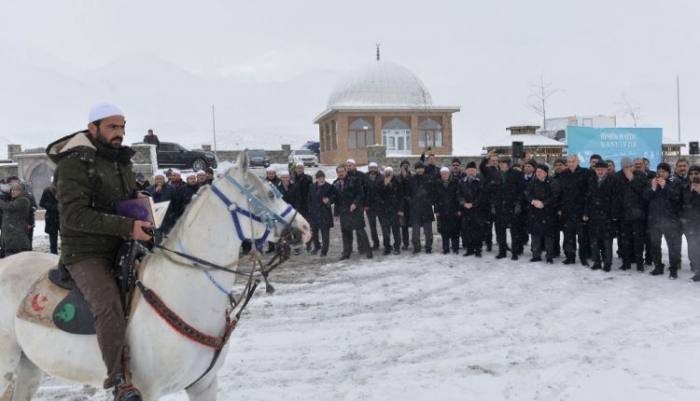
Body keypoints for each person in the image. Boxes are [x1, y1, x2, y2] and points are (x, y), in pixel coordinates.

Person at [46, 103, 150, 400]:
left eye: (122, 127)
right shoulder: (74, 164)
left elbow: (119, 198)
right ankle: (118, 380)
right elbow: (74, 216)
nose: (120, 133)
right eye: (113, 127)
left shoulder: (120, 160)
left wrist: (137, 200)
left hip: (122, 245)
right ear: (92, 128)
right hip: (85, 252)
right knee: (108, 305)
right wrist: (128, 227)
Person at [644, 162, 682, 278]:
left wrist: (665, 186)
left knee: (672, 246)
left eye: (663, 172)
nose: (661, 174)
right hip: (654, 220)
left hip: (670, 221)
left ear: (669, 173)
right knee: (655, 245)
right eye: (659, 171)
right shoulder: (651, 182)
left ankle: (673, 269)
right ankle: (658, 266)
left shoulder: (675, 183)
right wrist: (653, 188)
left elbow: (677, 198)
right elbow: (645, 197)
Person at [584, 160, 618, 272]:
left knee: (607, 241)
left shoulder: (613, 180)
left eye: (602, 169)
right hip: (593, 215)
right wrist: (586, 212)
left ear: (607, 170)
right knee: (594, 241)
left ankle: (608, 263)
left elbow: (615, 199)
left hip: (607, 216)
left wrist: (614, 214)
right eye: (598, 169)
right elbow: (588, 198)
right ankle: (597, 262)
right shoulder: (591, 180)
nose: (600, 171)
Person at [333, 164, 372, 260]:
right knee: (346, 233)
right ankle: (347, 252)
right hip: (344, 212)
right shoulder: (336, 183)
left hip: (355, 211)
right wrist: (336, 213)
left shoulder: (354, 180)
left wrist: (355, 203)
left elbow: (360, 194)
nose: (341, 173)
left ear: (346, 172)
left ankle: (368, 251)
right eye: (339, 172)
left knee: (360, 232)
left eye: (342, 171)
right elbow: (336, 200)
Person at [558, 155, 591, 266]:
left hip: (581, 211)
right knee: (568, 237)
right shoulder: (563, 174)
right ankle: (570, 257)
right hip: (567, 211)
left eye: (573, 161)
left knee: (582, 238)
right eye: (569, 162)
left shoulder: (585, 173)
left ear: (577, 162)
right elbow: (560, 193)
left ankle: (583, 258)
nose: (571, 163)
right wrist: (560, 208)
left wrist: (586, 211)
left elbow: (589, 193)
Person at [615, 156, 647, 272]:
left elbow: (642, 191)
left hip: (637, 215)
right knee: (625, 241)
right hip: (623, 215)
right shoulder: (617, 176)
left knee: (638, 240)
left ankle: (640, 263)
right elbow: (616, 197)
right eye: (626, 167)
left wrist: (632, 178)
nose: (628, 169)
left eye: (630, 166)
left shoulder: (640, 175)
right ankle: (626, 262)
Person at [525, 165, 556, 263]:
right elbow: (527, 194)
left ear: (546, 172)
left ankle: (549, 256)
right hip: (535, 212)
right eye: (537, 171)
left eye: (541, 171)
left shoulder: (552, 182)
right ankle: (536, 255)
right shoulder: (533, 181)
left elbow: (555, 196)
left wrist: (544, 203)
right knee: (535, 235)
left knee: (548, 236)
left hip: (548, 212)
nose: (538, 173)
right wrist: (533, 201)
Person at [405, 161, 436, 254]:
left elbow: (433, 193)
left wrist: (429, 201)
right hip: (415, 209)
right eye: (418, 168)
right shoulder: (411, 179)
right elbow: (407, 194)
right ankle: (417, 247)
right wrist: (412, 202)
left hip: (426, 208)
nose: (420, 170)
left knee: (428, 231)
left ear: (424, 169)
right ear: (415, 169)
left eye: (421, 168)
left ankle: (428, 247)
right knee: (415, 231)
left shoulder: (429, 178)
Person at [459, 162, 485, 257]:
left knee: (477, 230)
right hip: (466, 210)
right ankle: (469, 249)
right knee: (467, 230)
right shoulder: (462, 182)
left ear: (476, 171)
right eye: (469, 170)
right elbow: (459, 195)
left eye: (472, 170)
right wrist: (464, 203)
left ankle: (478, 249)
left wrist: (473, 204)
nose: (470, 172)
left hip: (477, 210)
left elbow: (482, 195)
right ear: (466, 171)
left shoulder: (480, 181)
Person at [375, 166, 404, 255]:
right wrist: (384, 185)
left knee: (396, 230)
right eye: (386, 172)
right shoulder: (380, 182)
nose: (388, 174)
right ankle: (387, 247)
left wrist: (400, 209)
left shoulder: (397, 182)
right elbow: (377, 195)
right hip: (384, 211)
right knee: (385, 230)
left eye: (390, 172)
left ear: (392, 173)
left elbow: (401, 197)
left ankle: (397, 247)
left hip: (395, 210)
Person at [307, 170, 336, 257]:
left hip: (325, 213)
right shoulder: (312, 186)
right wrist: (310, 208)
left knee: (325, 235)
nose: (321, 180)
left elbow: (334, 196)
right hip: (314, 214)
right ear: (316, 179)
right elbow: (309, 198)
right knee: (314, 233)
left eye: (322, 178)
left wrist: (329, 200)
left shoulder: (329, 186)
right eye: (319, 178)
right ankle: (317, 246)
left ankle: (324, 251)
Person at [0, 183, 32, 257]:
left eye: (15, 190)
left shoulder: (23, 200)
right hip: (9, 241)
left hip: (17, 241)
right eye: (12, 190)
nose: (12, 192)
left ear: (21, 191)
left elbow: (9, 207)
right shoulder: (12, 200)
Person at [5, 176, 37, 250]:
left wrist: (30, 223)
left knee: (27, 242)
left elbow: (32, 209)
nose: (13, 187)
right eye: (11, 185)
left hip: (26, 223)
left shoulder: (27, 196)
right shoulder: (9, 196)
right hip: (15, 225)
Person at [435, 167, 461, 254]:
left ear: (449, 174)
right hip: (442, 210)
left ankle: (455, 248)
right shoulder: (438, 183)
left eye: (446, 173)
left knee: (455, 230)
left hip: (453, 210)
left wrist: (459, 209)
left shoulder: (456, 182)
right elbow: (436, 198)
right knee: (444, 231)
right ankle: (445, 249)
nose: (444, 175)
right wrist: (437, 210)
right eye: (442, 174)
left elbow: (459, 197)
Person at [681, 165, 700, 281]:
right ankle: (697, 270)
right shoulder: (685, 187)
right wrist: (693, 193)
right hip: (691, 223)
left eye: (696, 174)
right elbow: (686, 203)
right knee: (693, 248)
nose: (694, 176)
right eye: (691, 174)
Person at [145, 170, 176, 237]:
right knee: (157, 238)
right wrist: (155, 192)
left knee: (168, 238)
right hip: (156, 218)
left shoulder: (171, 188)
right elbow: (147, 201)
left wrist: (173, 215)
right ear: (154, 179)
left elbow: (174, 202)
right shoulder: (149, 189)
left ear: (164, 179)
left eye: (160, 179)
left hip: (168, 217)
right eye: (157, 179)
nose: (159, 180)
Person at [364, 162, 383, 250]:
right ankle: (376, 243)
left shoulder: (382, 177)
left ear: (377, 168)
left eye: (374, 168)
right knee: (372, 226)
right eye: (371, 168)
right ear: (369, 168)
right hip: (369, 206)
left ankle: (387, 243)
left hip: (380, 205)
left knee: (384, 225)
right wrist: (365, 204)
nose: (373, 169)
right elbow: (363, 192)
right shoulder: (364, 177)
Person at [39, 182, 60, 254]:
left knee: (65, 237)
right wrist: (53, 207)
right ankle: (54, 253)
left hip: (62, 217)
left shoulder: (64, 191)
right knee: (53, 238)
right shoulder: (47, 191)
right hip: (51, 218)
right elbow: (41, 203)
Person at [397, 160, 412, 250]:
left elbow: (412, 186)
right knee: (404, 226)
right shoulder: (398, 177)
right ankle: (405, 243)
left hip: (411, 205)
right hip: (402, 205)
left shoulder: (412, 176)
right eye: (403, 166)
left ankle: (415, 241)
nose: (405, 167)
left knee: (415, 224)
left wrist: (407, 177)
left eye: (407, 165)